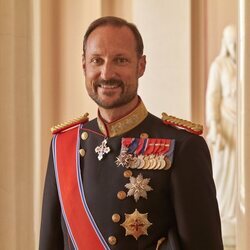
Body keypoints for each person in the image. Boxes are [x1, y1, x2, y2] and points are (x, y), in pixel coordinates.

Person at [39, 16, 223, 250]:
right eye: (97, 60)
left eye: (120, 60)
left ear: (141, 65)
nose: (107, 73)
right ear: (84, 65)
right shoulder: (64, 145)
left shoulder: (183, 146)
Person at [206, 25, 237, 246]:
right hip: (227, 126)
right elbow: (212, 97)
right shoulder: (219, 66)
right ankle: (227, 217)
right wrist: (215, 126)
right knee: (224, 173)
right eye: (231, 43)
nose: (234, 47)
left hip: (243, 127)